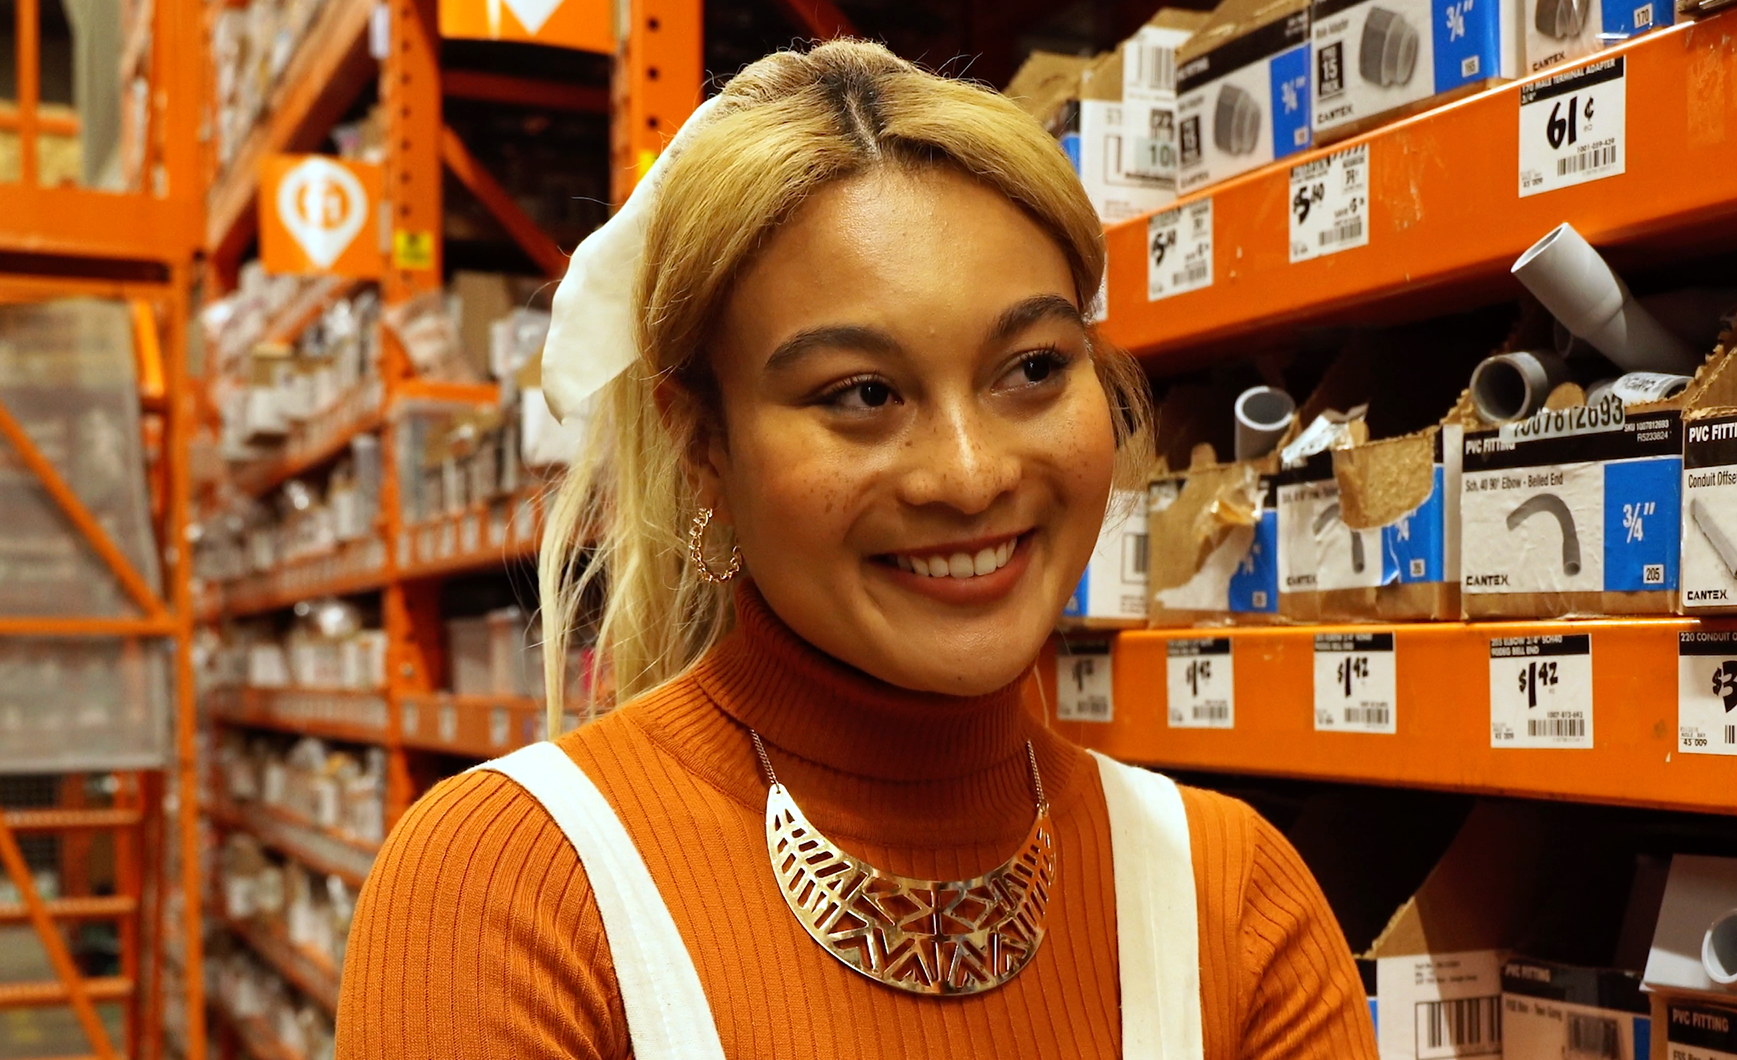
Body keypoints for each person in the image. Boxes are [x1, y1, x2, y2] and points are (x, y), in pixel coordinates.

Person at [336, 40, 1375, 1059]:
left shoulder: (1230, 901)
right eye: (863, 394)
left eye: (1031, 368)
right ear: (705, 447)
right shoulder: (509, 894)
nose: (969, 474)